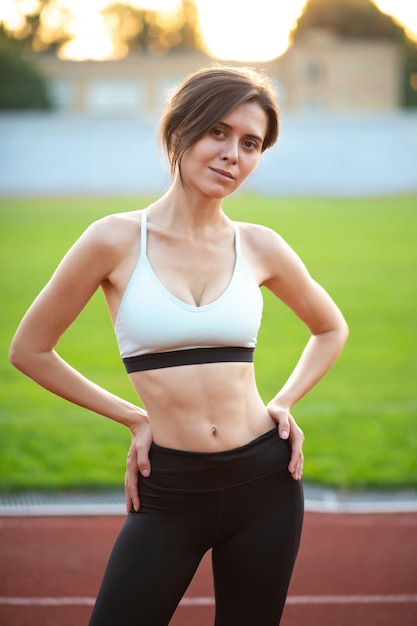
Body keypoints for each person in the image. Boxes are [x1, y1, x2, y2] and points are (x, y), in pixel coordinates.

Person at [9, 65, 348, 625]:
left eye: (250, 143)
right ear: (180, 129)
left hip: (266, 482)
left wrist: (284, 401)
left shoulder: (260, 245)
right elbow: (30, 349)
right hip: (170, 489)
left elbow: (330, 327)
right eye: (218, 131)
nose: (232, 154)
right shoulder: (115, 239)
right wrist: (134, 418)